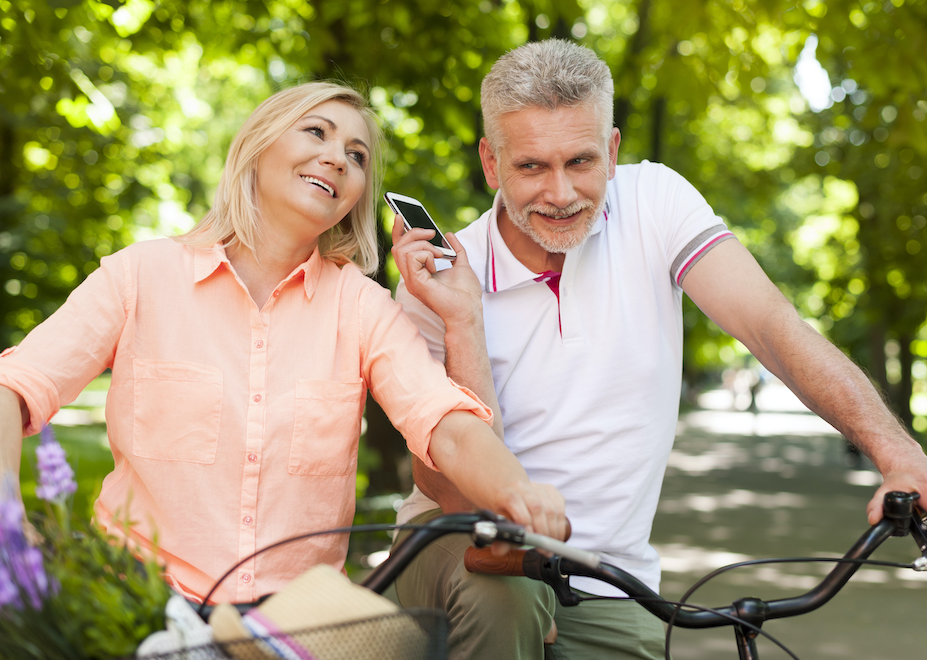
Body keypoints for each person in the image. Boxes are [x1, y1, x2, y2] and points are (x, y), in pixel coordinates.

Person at [388, 40, 927, 659]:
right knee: (502, 598)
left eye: (582, 161)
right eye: (532, 167)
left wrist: (900, 455)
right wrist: (465, 322)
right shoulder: (438, 280)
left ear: (614, 151)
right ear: (491, 163)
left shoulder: (654, 202)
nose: (562, 193)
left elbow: (772, 326)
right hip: (463, 547)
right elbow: (451, 490)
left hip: (610, 580)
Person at [0, 81, 566, 604]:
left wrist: (519, 491)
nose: (337, 157)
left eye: (357, 155)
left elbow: (446, 423)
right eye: (316, 131)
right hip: (135, 609)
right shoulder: (140, 276)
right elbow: (14, 389)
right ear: (257, 147)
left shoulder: (361, 306)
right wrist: (11, 525)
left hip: (292, 625)